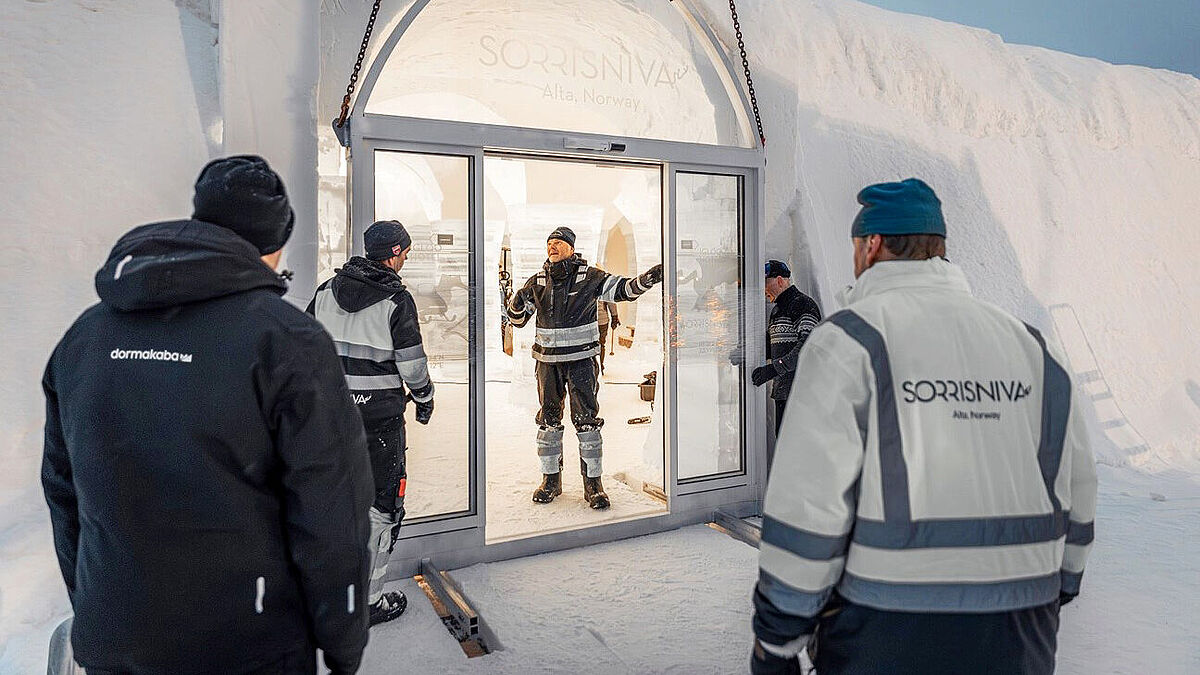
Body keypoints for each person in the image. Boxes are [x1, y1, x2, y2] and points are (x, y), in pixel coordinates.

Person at [42, 155, 374, 675]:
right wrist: (343, 642)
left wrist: (98, 605)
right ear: (273, 245)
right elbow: (332, 512)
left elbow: (64, 493)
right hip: (248, 647)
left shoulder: (86, 336)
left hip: (116, 639)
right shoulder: (287, 340)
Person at [750, 178, 1097, 674]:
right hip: (1022, 629)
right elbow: (1079, 481)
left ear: (871, 245)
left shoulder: (850, 342)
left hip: (886, 627)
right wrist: (1056, 585)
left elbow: (809, 503)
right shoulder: (1035, 348)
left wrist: (778, 637)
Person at [307, 220, 435, 626]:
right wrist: (425, 398)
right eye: (405, 252)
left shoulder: (325, 292)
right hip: (378, 423)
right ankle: (367, 603)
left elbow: (304, 350)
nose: (406, 259)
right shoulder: (396, 301)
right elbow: (412, 366)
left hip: (329, 420)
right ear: (394, 253)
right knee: (381, 509)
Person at [506, 226, 662, 509]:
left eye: (558, 243)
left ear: (571, 248)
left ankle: (593, 485)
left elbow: (624, 290)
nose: (552, 247)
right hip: (547, 363)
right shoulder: (537, 281)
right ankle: (550, 481)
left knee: (587, 421)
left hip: (581, 362)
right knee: (548, 422)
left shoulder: (590, 277)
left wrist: (647, 279)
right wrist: (515, 304)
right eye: (549, 243)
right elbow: (518, 320)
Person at [750, 260, 822, 462]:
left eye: (766, 283)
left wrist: (773, 369)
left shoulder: (802, 304)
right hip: (783, 392)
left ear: (780, 280)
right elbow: (768, 346)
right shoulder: (776, 311)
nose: (764, 290)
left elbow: (807, 348)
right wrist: (742, 354)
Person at [596, 297, 620, 374]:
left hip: (591, 321)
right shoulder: (604, 290)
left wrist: (615, 318)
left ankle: (595, 366)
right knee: (600, 344)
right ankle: (600, 366)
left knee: (590, 346)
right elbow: (610, 302)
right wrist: (614, 317)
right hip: (602, 320)